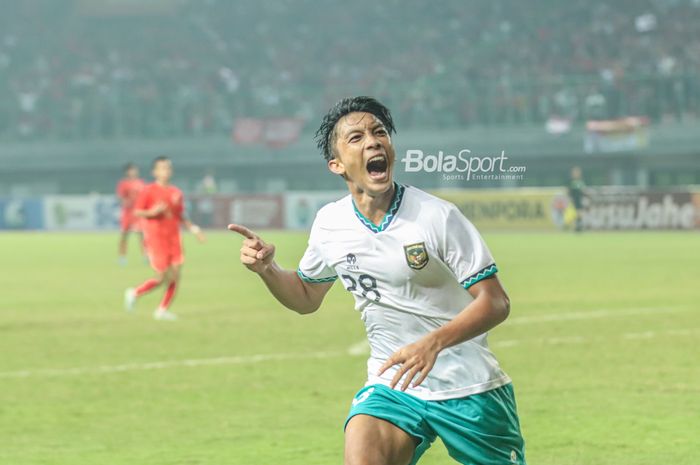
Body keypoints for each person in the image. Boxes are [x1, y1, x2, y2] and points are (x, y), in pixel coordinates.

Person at [229, 97, 526, 465]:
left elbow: (496, 302)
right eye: (356, 138)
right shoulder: (329, 223)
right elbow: (306, 296)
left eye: (379, 132)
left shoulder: (436, 216)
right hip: (393, 384)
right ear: (336, 164)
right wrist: (268, 270)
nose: (372, 141)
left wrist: (432, 343)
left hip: (469, 386)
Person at [124, 156, 205, 321]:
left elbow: (181, 215)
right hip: (156, 239)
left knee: (176, 274)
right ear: (155, 172)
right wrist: (152, 212)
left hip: (174, 238)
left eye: (168, 168)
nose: (165, 171)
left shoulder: (176, 193)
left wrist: (194, 229)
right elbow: (137, 211)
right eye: (162, 168)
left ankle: (161, 310)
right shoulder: (148, 191)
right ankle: (134, 292)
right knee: (162, 277)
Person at [115, 163, 146, 265]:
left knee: (142, 235)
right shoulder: (123, 184)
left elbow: (145, 196)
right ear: (127, 172)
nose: (133, 172)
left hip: (139, 213)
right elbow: (120, 197)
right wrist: (125, 202)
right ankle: (122, 257)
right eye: (131, 170)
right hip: (127, 213)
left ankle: (146, 256)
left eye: (135, 170)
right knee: (124, 235)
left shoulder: (141, 183)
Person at [567, 166, 587, 232]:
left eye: (577, 172)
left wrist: (585, 196)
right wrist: (570, 198)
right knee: (573, 214)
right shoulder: (571, 181)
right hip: (573, 200)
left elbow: (583, 191)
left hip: (579, 200)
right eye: (575, 172)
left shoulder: (581, 181)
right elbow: (569, 191)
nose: (576, 174)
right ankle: (575, 226)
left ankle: (578, 227)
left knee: (579, 213)